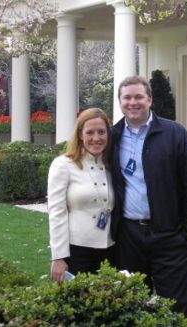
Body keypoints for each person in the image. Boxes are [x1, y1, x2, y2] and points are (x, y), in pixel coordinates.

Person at [110, 76, 187, 316]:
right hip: (129, 238)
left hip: (169, 236)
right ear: (120, 102)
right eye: (127, 97)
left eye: (139, 97)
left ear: (150, 99)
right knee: (131, 305)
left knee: (177, 308)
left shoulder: (174, 133)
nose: (133, 102)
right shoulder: (112, 137)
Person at [48, 108, 115, 283]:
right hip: (76, 251)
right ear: (80, 134)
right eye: (90, 132)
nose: (96, 138)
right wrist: (58, 257)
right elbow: (56, 213)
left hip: (111, 250)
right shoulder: (63, 165)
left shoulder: (111, 165)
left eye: (101, 132)